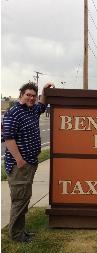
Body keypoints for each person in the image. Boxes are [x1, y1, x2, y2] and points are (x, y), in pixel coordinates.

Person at [3, 82, 54, 243]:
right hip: (20, 165)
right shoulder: (14, 112)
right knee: (19, 199)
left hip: (31, 162)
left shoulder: (32, 110)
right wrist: (19, 160)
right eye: (28, 95)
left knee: (24, 197)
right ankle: (17, 235)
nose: (31, 98)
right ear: (21, 95)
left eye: (33, 95)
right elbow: (8, 138)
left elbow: (42, 103)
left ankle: (21, 231)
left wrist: (44, 90)